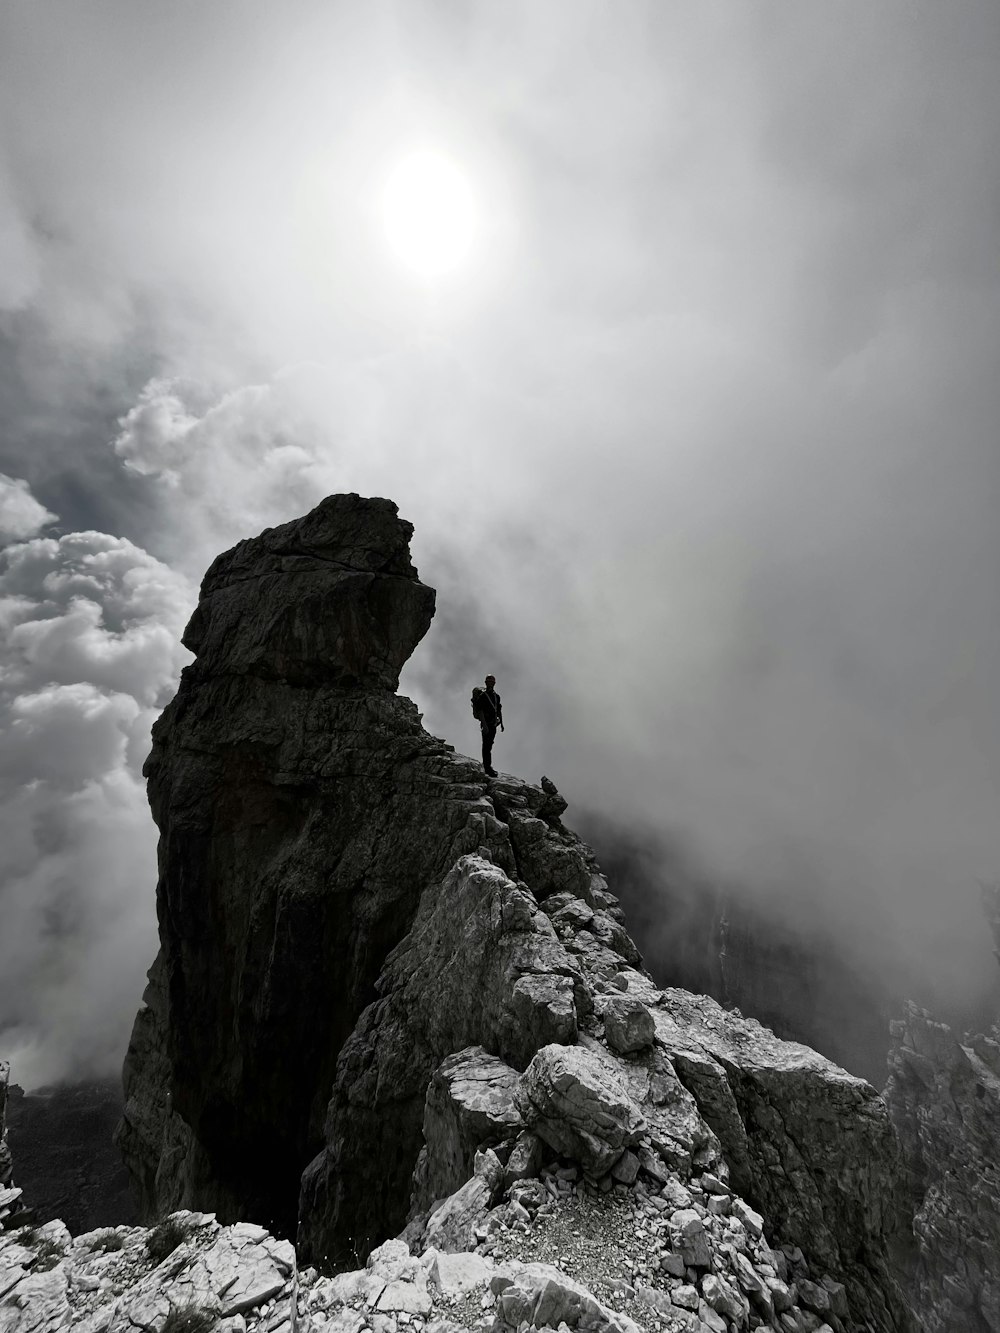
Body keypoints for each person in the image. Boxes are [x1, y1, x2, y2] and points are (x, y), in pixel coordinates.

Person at [477, 674, 504, 777]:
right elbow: (480, 711)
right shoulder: (483, 696)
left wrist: (501, 723)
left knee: (489, 745)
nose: (490, 684)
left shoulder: (496, 697)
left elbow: (498, 710)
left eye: (492, 682)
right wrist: (485, 725)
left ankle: (487, 766)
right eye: (489, 682)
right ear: (486, 683)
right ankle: (487, 768)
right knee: (486, 746)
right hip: (487, 724)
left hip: (493, 725)